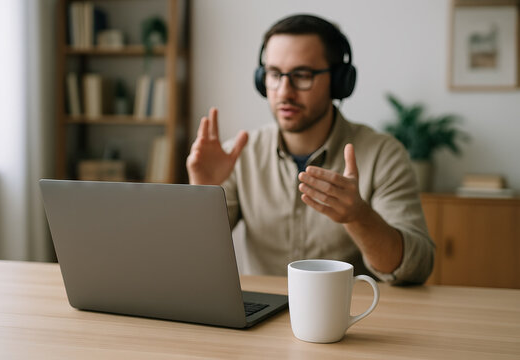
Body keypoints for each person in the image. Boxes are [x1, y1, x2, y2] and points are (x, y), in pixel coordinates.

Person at [186, 14, 434, 285]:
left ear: (340, 81)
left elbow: (416, 267)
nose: (284, 91)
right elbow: (193, 260)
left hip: (350, 318)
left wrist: (359, 217)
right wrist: (202, 193)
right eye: (274, 74)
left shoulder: (383, 155)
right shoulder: (236, 156)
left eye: (302, 75)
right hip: (260, 319)